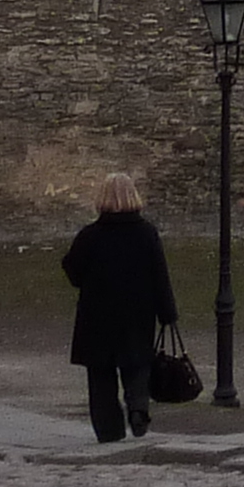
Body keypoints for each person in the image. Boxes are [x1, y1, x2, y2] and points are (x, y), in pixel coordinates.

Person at [60, 172, 180, 444]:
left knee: (101, 374)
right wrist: (167, 312)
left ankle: (108, 429)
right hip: (137, 313)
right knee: (137, 364)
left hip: (97, 314)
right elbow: (159, 275)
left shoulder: (90, 235)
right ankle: (138, 408)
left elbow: (73, 271)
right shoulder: (146, 233)